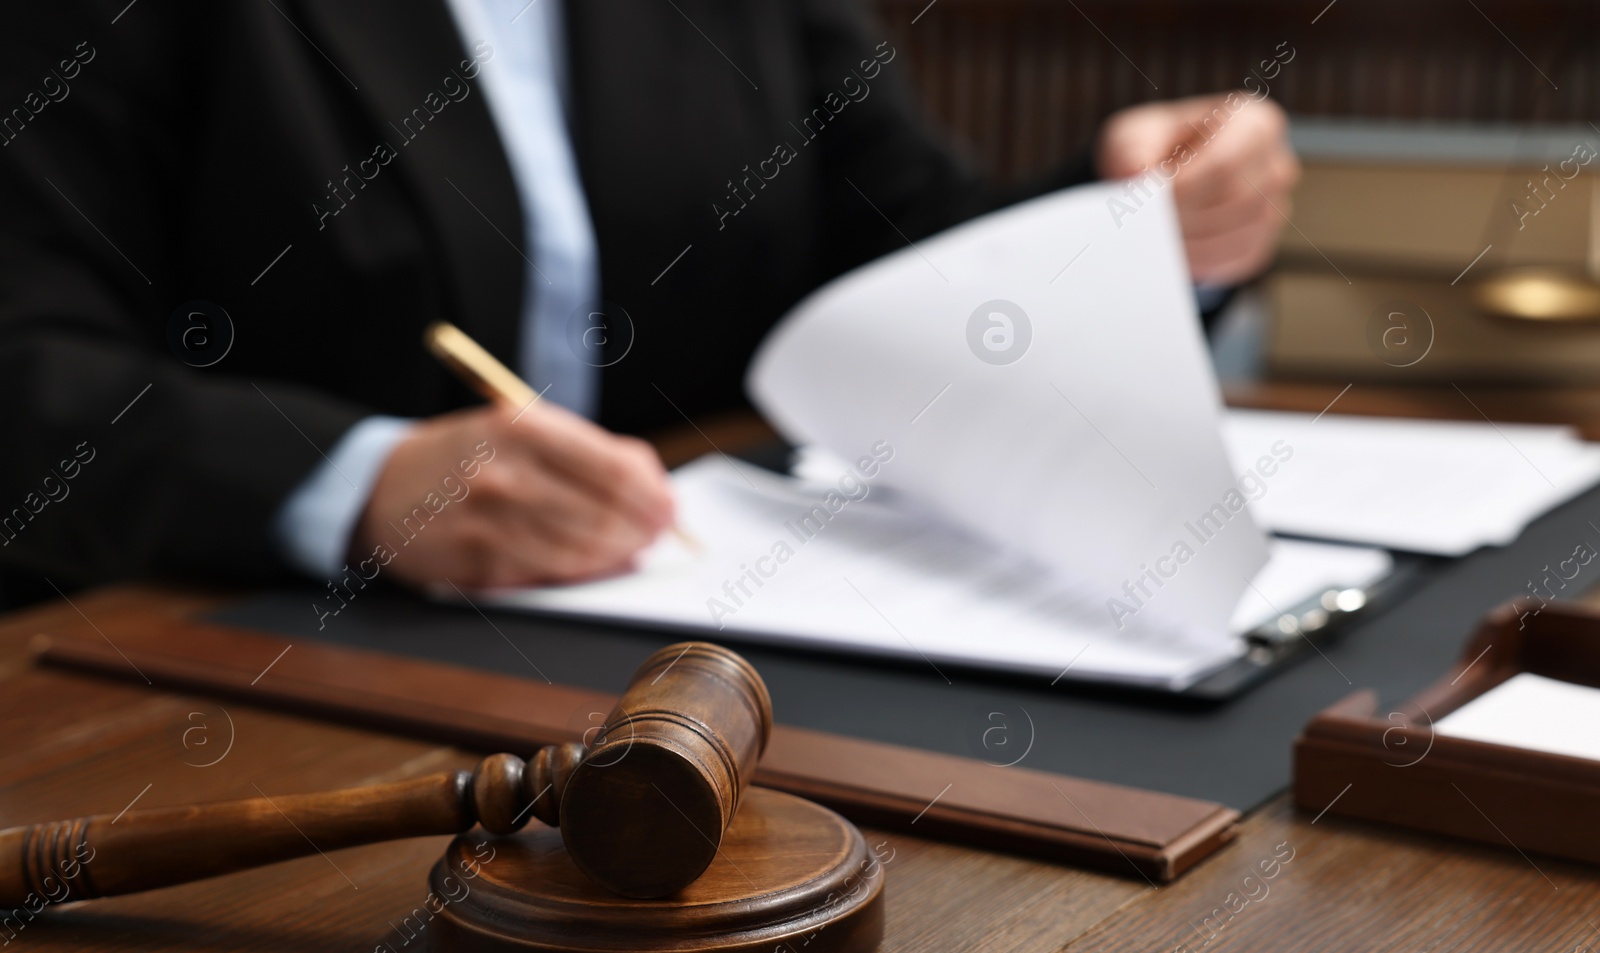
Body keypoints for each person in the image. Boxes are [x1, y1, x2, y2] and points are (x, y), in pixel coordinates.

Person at [0, 0, 1296, 601]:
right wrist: (358, 484)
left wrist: (1132, 218)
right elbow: (27, 367)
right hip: (218, 661)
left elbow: (905, 252)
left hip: (693, 642)